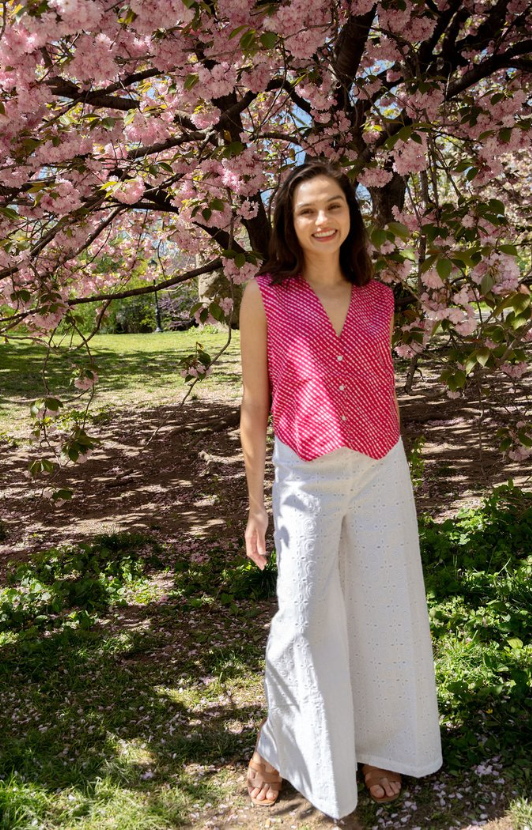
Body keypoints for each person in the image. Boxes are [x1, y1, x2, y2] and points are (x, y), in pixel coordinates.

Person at [238, 159, 443, 820]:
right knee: (300, 618)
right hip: (307, 471)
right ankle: (278, 741)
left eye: (333, 207)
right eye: (306, 211)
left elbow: (373, 383)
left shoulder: (380, 296)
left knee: (384, 610)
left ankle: (381, 744)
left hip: (382, 465)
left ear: (351, 216)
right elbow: (252, 404)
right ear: (288, 223)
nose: (322, 220)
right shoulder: (264, 294)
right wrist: (255, 504)